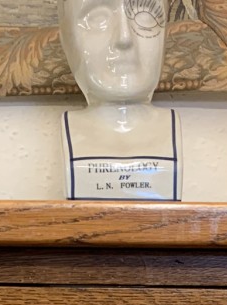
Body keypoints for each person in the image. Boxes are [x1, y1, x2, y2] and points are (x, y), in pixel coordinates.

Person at [58, 0, 183, 201]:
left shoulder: (170, 129)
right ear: (67, 38)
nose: (124, 38)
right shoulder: (72, 132)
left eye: (146, 14)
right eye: (98, 18)